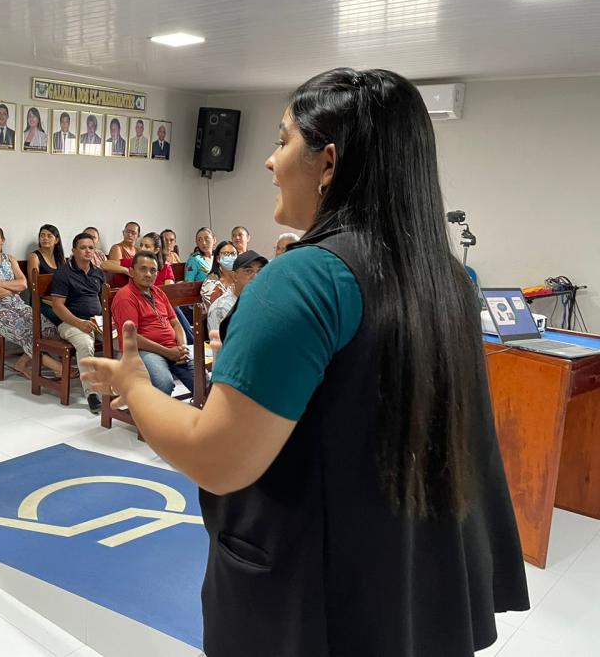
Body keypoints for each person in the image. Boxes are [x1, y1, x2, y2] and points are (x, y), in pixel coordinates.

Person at [82, 68, 528, 656]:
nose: (270, 161)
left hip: (323, 598)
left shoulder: (305, 278)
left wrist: (136, 386)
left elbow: (218, 457)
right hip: (413, 578)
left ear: (328, 162)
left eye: (283, 139)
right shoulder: (444, 276)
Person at [0, 225, 63, 379]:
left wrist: (0, 284)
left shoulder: (10, 259)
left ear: (2, 240)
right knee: (28, 333)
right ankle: (59, 368)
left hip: (17, 305)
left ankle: (21, 364)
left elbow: (23, 284)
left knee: (48, 328)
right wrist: (13, 288)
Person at [110, 252, 194, 396]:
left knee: (204, 382)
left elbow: (176, 324)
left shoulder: (158, 292)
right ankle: (150, 414)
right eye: (143, 269)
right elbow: (131, 337)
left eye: (153, 270)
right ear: (131, 272)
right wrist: (168, 353)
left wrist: (182, 347)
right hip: (144, 351)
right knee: (164, 384)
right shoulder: (126, 296)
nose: (148, 274)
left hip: (173, 348)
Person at [50, 233, 106, 414]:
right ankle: (92, 394)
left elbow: (103, 301)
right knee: (86, 344)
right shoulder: (63, 273)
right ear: (73, 251)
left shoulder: (98, 273)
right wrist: (79, 323)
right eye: (83, 248)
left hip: (97, 321)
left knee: (122, 341)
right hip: (70, 322)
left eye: (91, 247)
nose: (88, 251)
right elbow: (58, 306)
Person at [206, 250, 267, 332]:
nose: (255, 277)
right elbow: (222, 344)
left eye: (260, 271)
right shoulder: (221, 308)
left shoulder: (265, 302)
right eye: (248, 271)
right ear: (235, 276)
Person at [27, 223, 66, 325]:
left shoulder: (61, 258)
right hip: (40, 301)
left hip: (59, 299)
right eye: (42, 235)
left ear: (56, 240)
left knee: (82, 310)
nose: (45, 238)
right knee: (65, 316)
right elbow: (33, 287)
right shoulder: (34, 257)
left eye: (49, 236)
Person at [102, 232, 175, 287]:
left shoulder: (166, 268)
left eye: (147, 246)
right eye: (141, 245)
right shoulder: (134, 262)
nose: (142, 249)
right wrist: (126, 270)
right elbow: (104, 264)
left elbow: (169, 292)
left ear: (156, 250)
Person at [200, 240, 238, 307]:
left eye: (233, 254)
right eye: (226, 254)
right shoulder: (211, 282)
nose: (230, 257)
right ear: (218, 258)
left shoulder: (240, 278)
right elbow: (217, 309)